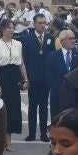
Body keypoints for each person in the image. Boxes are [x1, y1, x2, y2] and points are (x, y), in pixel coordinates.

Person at [0, 19, 29, 151]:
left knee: (13, 109)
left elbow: (21, 63)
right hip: (2, 76)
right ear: (2, 29)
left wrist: (26, 79)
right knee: (1, 110)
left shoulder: (18, 44)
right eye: (8, 28)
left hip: (14, 78)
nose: (11, 30)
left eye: (13, 27)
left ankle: (9, 140)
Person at [20, 13, 55, 142]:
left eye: (44, 23)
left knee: (44, 107)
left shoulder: (51, 38)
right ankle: (31, 133)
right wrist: (25, 78)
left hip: (46, 78)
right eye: (39, 23)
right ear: (34, 24)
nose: (42, 25)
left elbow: (52, 59)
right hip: (32, 78)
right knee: (32, 106)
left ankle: (44, 133)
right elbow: (24, 60)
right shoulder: (27, 39)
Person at [47, 29, 78, 123]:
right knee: (58, 121)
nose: (73, 41)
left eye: (74, 38)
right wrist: (59, 89)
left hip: (74, 96)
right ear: (62, 41)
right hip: (57, 95)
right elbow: (50, 75)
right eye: (70, 38)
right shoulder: (53, 56)